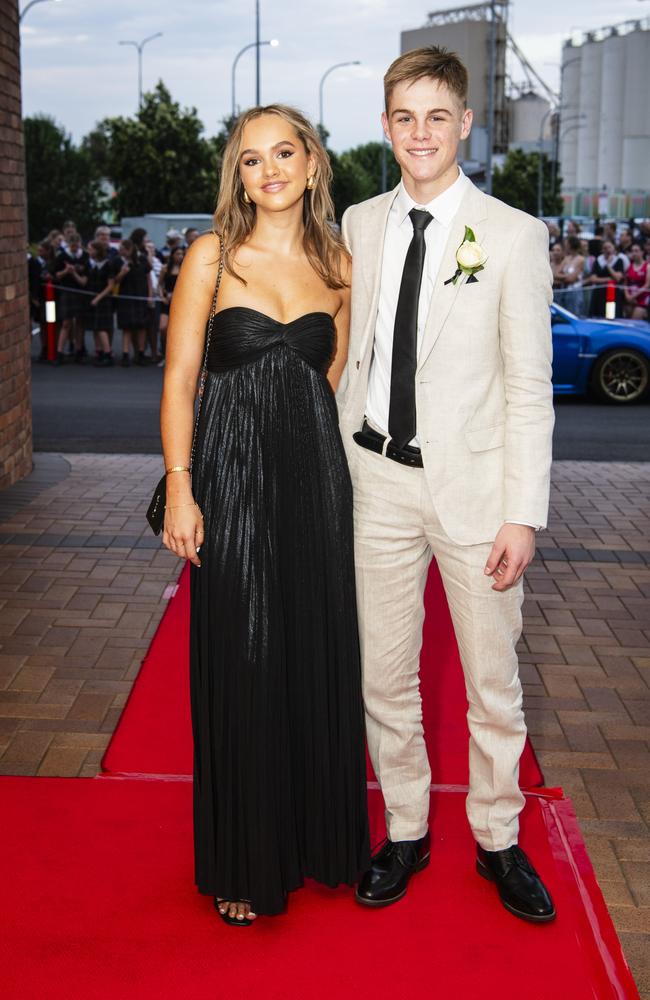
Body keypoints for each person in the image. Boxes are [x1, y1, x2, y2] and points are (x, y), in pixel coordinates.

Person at [338, 46, 556, 922]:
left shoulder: (511, 235)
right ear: (385, 126)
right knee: (385, 676)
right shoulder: (357, 223)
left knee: (490, 679)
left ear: (466, 124)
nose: (420, 133)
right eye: (404, 117)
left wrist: (524, 514)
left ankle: (498, 839)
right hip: (375, 482)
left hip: (475, 496)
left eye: (437, 116)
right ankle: (406, 827)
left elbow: (530, 387)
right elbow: (348, 350)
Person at [159, 104, 370, 924]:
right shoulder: (211, 256)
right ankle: (245, 859)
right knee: (244, 654)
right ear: (237, 175)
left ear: (313, 162)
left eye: (285, 153)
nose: (270, 170)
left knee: (310, 650)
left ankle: (312, 840)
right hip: (231, 479)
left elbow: (330, 376)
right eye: (252, 160)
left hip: (314, 482)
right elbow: (180, 380)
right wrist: (182, 485)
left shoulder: (339, 263)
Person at [112, 237, 152, 366]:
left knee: (142, 326)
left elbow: (149, 278)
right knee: (126, 327)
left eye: (122, 249)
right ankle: (125, 354)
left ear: (128, 249)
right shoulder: (118, 261)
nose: (120, 251)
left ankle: (140, 353)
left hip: (141, 296)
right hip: (125, 297)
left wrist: (150, 296)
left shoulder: (142, 260)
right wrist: (122, 273)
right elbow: (115, 281)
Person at [53, 231, 89, 365]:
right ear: (69, 244)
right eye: (72, 246)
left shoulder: (84, 256)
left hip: (80, 292)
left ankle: (79, 350)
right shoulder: (62, 256)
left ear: (80, 244)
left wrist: (73, 273)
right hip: (67, 293)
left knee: (80, 322)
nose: (74, 249)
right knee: (66, 323)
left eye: (77, 246)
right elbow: (56, 275)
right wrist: (65, 271)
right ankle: (60, 352)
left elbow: (85, 278)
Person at [85, 239, 115, 366]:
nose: (88, 251)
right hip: (94, 298)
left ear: (97, 251)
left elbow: (110, 285)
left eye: (90, 249)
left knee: (102, 327)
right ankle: (101, 352)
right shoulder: (92, 264)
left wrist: (98, 298)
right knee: (96, 328)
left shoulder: (108, 264)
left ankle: (108, 353)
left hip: (103, 300)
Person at [157, 245, 184, 367]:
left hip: (180, 303)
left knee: (178, 331)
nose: (180, 256)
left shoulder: (185, 268)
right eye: (177, 253)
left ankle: (175, 357)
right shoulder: (165, 268)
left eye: (181, 254)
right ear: (172, 255)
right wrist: (162, 296)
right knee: (163, 328)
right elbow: (159, 285)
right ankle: (163, 354)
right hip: (166, 303)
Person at [584, 239, 626, 317]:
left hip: (612, 293)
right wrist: (609, 279)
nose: (607, 250)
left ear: (614, 248)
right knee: (598, 315)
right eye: (605, 248)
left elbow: (618, 278)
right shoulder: (598, 260)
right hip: (599, 293)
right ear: (602, 250)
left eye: (609, 247)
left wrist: (608, 265)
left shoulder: (619, 260)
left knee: (611, 315)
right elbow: (593, 278)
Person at [557, 235, 585, 315]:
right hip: (565, 292)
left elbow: (571, 279)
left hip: (575, 292)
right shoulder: (566, 258)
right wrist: (567, 276)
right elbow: (556, 274)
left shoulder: (581, 259)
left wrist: (562, 277)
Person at [623, 242, 650, 320]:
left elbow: (647, 284)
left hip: (641, 299)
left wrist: (633, 296)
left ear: (642, 252)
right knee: (627, 322)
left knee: (634, 321)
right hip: (630, 300)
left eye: (636, 251)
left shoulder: (647, 266)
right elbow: (625, 283)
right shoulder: (629, 266)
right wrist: (627, 296)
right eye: (632, 251)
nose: (634, 253)